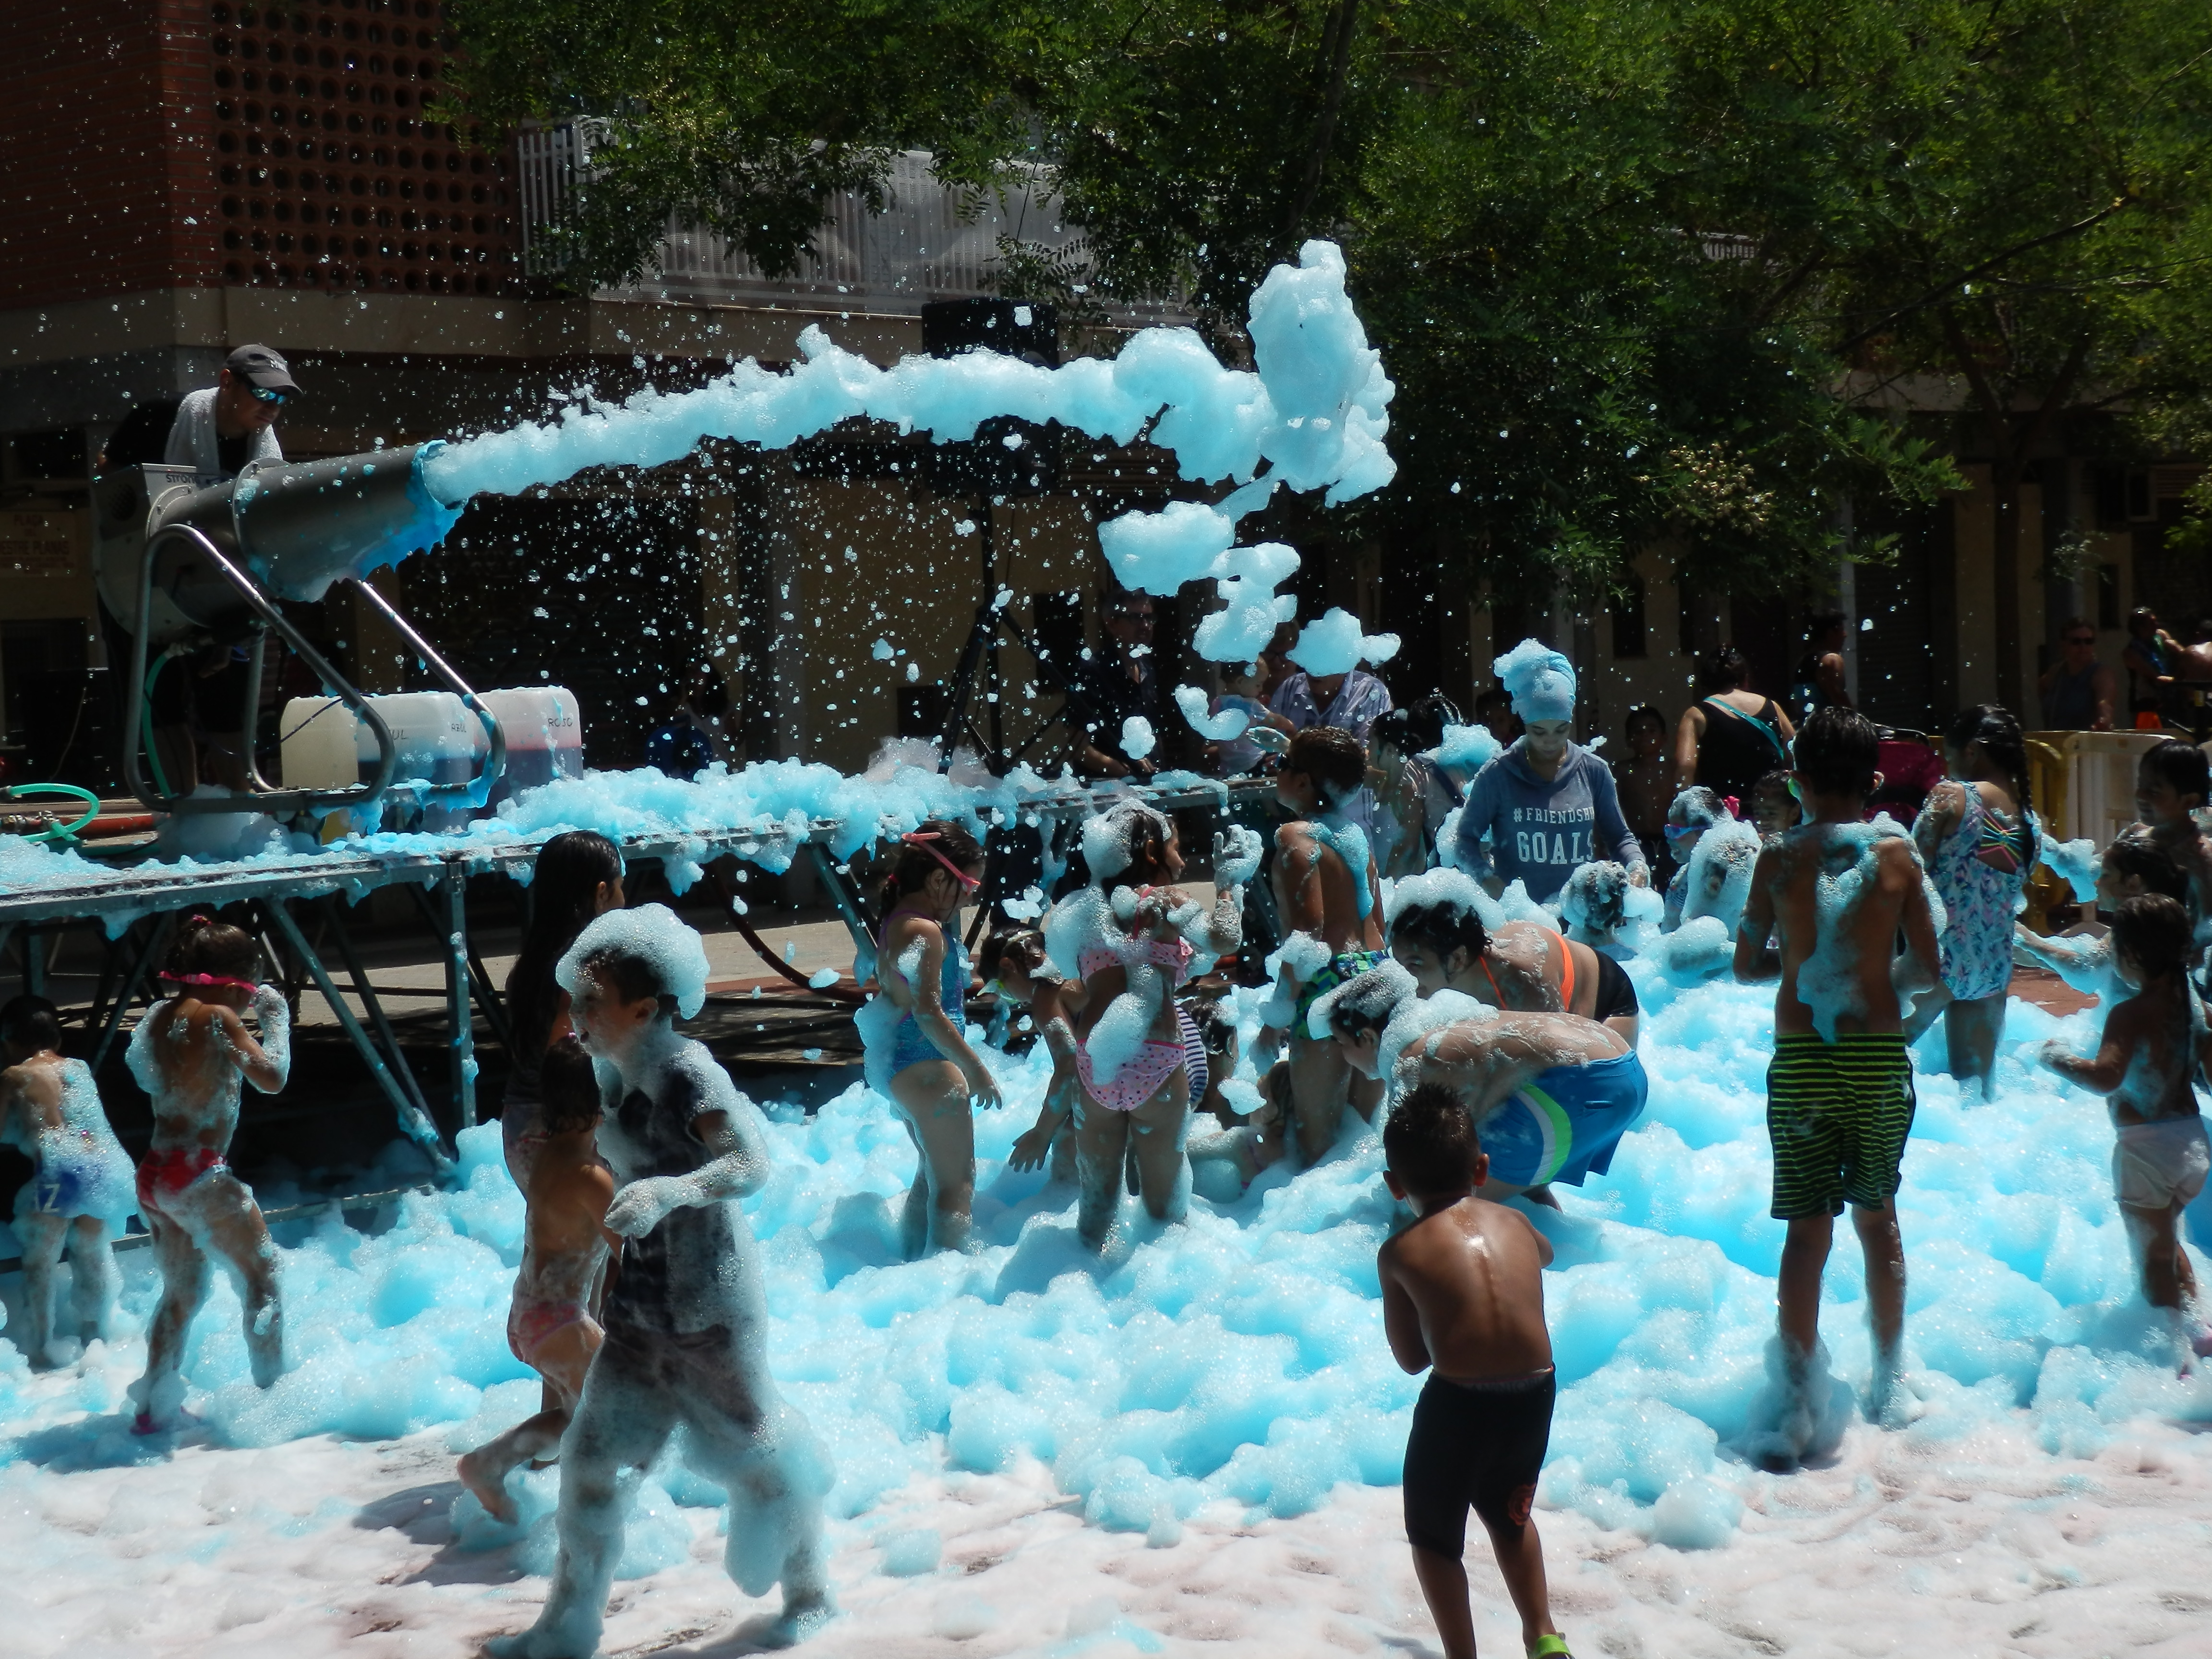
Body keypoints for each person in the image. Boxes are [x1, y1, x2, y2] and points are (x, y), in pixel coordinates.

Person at [492, 906, 831, 1657]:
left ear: (645, 1010)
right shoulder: (610, 1075)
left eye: (590, 1003)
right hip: (642, 1310)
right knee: (588, 1467)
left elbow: (751, 1165)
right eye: (573, 1000)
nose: (574, 1016)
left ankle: (812, 1596)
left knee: (758, 1456)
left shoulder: (686, 1074)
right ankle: (563, 1628)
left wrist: (670, 1192)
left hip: (711, 1306)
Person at [1734, 707, 1943, 1437]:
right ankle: (1890, 1381)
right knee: (1877, 1219)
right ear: (1877, 782)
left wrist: (1794, 966)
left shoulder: (1778, 859)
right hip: (1878, 1058)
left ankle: (1794, 1399)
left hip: (1801, 1059)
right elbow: (1929, 967)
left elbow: (1744, 965)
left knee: (1805, 1233)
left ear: (1797, 781)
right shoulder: (1897, 858)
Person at [1373, 1085, 1572, 1659]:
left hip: (1461, 1404)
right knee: (1511, 1515)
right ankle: (1544, 1636)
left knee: (1435, 1539)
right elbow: (1546, 1255)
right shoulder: (1512, 1221)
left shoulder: (1399, 1251)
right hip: (1536, 1391)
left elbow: (1413, 1361)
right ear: (1481, 1168)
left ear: (1395, 1184)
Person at [125, 916, 291, 1432]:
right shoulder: (220, 1017)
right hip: (199, 1175)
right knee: (264, 1280)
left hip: (156, 1172)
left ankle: (152, 1409)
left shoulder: (156, 1018)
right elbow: (273, 1078)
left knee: (181, 1294)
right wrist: (277, 1021)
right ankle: (274, 1403)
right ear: (232, 982)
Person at [1058, 802, 1247, 1246]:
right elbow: (1225, 939)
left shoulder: (1083, 911)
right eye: (1176, 849)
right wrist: (1225, 889)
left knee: (1097, 1207)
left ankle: (1085, 1288)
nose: (1182, 861)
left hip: (1094, 1059)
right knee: (1164, 1209)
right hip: (1156, 1056)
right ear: (1149, 850)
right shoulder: (1163, 901)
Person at [1330, 964, 1647, 1211]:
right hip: (1624, 1065)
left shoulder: (1409, 1060)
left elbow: (1414, 1179)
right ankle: (1559, 1256)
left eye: (1341, 1043)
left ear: (1369, 1038)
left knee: (1448, 1203)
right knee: (1524, 1182)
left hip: (1584, 1086)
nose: (1341, 1055)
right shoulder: (1448, 1022)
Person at [458, 1038, 618, 1522]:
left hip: (533, 1316)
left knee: (578, 1419)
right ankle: (587, 1512)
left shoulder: (548, 1155)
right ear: (603, 1100)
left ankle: (503, 1468)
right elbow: (633, 1249)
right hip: (561, 1322)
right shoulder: (593, 1177)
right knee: (611, 1415)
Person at [2036, 895, 2210, 1339]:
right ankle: (2198, 1325)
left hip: (2145, 1150)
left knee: (2152, 1259)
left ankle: (2173, 1353)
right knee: (2165, 1242)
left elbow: (2106, 1078)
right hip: (2191, 1145)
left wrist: (2056, 1058)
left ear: (2131, 955)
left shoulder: (2130, 1013)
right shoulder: (2194, 1010)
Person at [861, 821, 1001, 1255]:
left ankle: (913, 1263)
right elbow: (927, 1010)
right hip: (932, 1072)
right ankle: (945, 1279)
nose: (972, 895)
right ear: (940, 878)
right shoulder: (924, 930)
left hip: (900, 1071)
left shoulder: (897, 920)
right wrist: (976, 1070)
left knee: (931, 1173)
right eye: (969, 883)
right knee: (958, 1185)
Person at [1262, 726, 1390, 1164]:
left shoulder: (1294, 837)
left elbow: (1308, 934)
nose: (1275, 769)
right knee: (1363, 1142)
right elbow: (1378, 922)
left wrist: (1271, 1022)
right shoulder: (1356, 838)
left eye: (1282, 764)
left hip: (1328, 981)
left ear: (1302, 782)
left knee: (1318, 1148)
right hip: (1378, 977)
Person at [1452, 641, 1647, 905]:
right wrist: (1486, 878)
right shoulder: (1499, 773)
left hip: (1580, 917)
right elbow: (1465, 841)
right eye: (1539, 731)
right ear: (1523, 723)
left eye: (1561, 730)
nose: (1550, 741)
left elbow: (1620, 838)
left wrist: (1637, 867)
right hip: (1521, 919)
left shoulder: (1593, 770)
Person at [1906, 707, 2037, 1097]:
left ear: (1972, 752)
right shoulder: (2027, 818)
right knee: (1975, 1099)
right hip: (1992, 966)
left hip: (1941, 960)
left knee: (1872, 1072)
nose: (1947, 767)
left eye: (1949, 757)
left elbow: (1910, 873)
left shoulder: (1951, 797)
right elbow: (1992, 890)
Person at [0, 995, 133, 1365]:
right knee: (92, 1255)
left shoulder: (15, 1075)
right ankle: (98, 1342)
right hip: (103, 1169)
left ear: (9, 1041)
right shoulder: (79, 1067)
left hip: (60, 1174)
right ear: (56, 1039)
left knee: (40, 1263)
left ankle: (41, 1349)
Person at [504, 830, 626, 1192]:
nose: (625, 899)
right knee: (605, 1245)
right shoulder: (581, 970)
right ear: (601, 892)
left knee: (552, 1243)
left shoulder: (528, 967)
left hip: (520, 1125)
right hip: (560, 1131)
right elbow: (566, 1052)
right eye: (620, 887)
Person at [1389, 870, 1640, 1044]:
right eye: (1399, 963)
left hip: (1606, 1002)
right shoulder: (1447, 962)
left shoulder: (1523, 980)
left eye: (1414, 965)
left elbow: (1561, 1062)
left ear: (1456, 960)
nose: (1403, 977)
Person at [2014, 829, 2187, 1004]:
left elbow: (2086, 973)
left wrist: (2028, 940)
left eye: (2105, 875)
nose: (2097, 882)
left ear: (2133, 884)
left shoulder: (2144, 924)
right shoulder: (2160, 915)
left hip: (2141, 1025)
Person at [1671, 645, 1794, 808]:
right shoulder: (1772, 707)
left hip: (1724, 816)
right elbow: (1795, 752)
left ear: (1706, 684)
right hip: (1772, 813)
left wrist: (1682, 812)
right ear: (1745, 679)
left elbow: (1685, 767)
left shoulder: (1696, 715)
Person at [1069, 587, 1164, 780]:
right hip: (1104, 791)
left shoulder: (1147, 667)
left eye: (1149, 618)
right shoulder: (1092, 672)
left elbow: (1156, 734)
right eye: (1136, 618)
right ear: (1112, 624)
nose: (1145, 626)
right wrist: (1124, 770)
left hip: (1149, 786)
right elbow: (1078, 747)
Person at [1374, 696, 1472, 878]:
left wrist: (1386, 893)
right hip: (1488, 873)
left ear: (1414, 736)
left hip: (1451, 878)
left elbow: (1407, 847)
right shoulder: (1480, 760)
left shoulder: (1417, 767)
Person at [2133, 738, 2212, 951]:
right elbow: (2099, 875)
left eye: (2154, 791)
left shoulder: (2198, 859)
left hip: (2174, 959)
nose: (2140, 796)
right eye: (2141, 785)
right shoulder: (2135, 835)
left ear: (2188, 802)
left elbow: (2208, 924)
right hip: (2134, 949)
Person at [643, 667, 739, 779]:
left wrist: (745, 725)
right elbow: (674, 731)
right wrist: (684, 696)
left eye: (696, 671)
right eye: (689, 673)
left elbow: (731, 742)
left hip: (718, 769)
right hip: (692, 770)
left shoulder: (723, 707)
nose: (693, 677)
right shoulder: (684, 707)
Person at [1613, 706, 1674, 877]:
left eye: (1652, 730)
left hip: (1670, 840)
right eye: (1638, 731)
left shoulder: (1673, 769)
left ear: (1665, 738)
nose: (1645, 735)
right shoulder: (1622, 771)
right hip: (1634, 841)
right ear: (1629, 740)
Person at [1659, 786, 1732, 930]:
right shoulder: (1683, 874)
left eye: (1675, 831)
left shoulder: (1721, 882)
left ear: (1703, 833)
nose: (1668, 839)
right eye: (1668, 829)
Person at [2037, 616, 2116, 732]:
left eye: (2088, 641)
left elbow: (2105, 703)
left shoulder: (2101, 674)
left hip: (2084, 744)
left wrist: (2104, 720)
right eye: (2076, 642)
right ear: (2063, 644)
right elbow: (2042, 686)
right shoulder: (2057, 671)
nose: (2083, 647)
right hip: (2056, 742)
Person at [1205, 658, 1273, 777]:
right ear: (1240, 681)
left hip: (1230, 769)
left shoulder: (1216, 704)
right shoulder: (1251, 704)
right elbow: (1275, 720)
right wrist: (1290, 727)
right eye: (1258, 684)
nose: (1261, 689)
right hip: (1255, 762)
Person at [2122, 607, 2181, 731]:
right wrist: (2182, 682)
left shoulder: (2161, 635)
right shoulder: (2131, 652)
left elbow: (2184, 653)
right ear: (2140, 628)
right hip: (2146, 703)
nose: (2157, 625)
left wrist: (2178, 650)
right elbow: (2156, 678)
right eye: (2152, 623)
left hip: (2169, 698)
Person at [1788, 609, 1853, 721]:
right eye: (1842, 630)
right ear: (1830, 634)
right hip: (1829, 731)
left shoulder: (1802, 662)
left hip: (1806, 731)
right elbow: (1841, 705)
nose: (1845, 635)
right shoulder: (1831, 660)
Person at [1475, 684, 1522, 750]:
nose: (1495, 727)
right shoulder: (1478, 749)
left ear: (1511, 719)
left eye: (1501, 720)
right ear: (1479, 722)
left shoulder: (1518, 748)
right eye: (1489, 721)